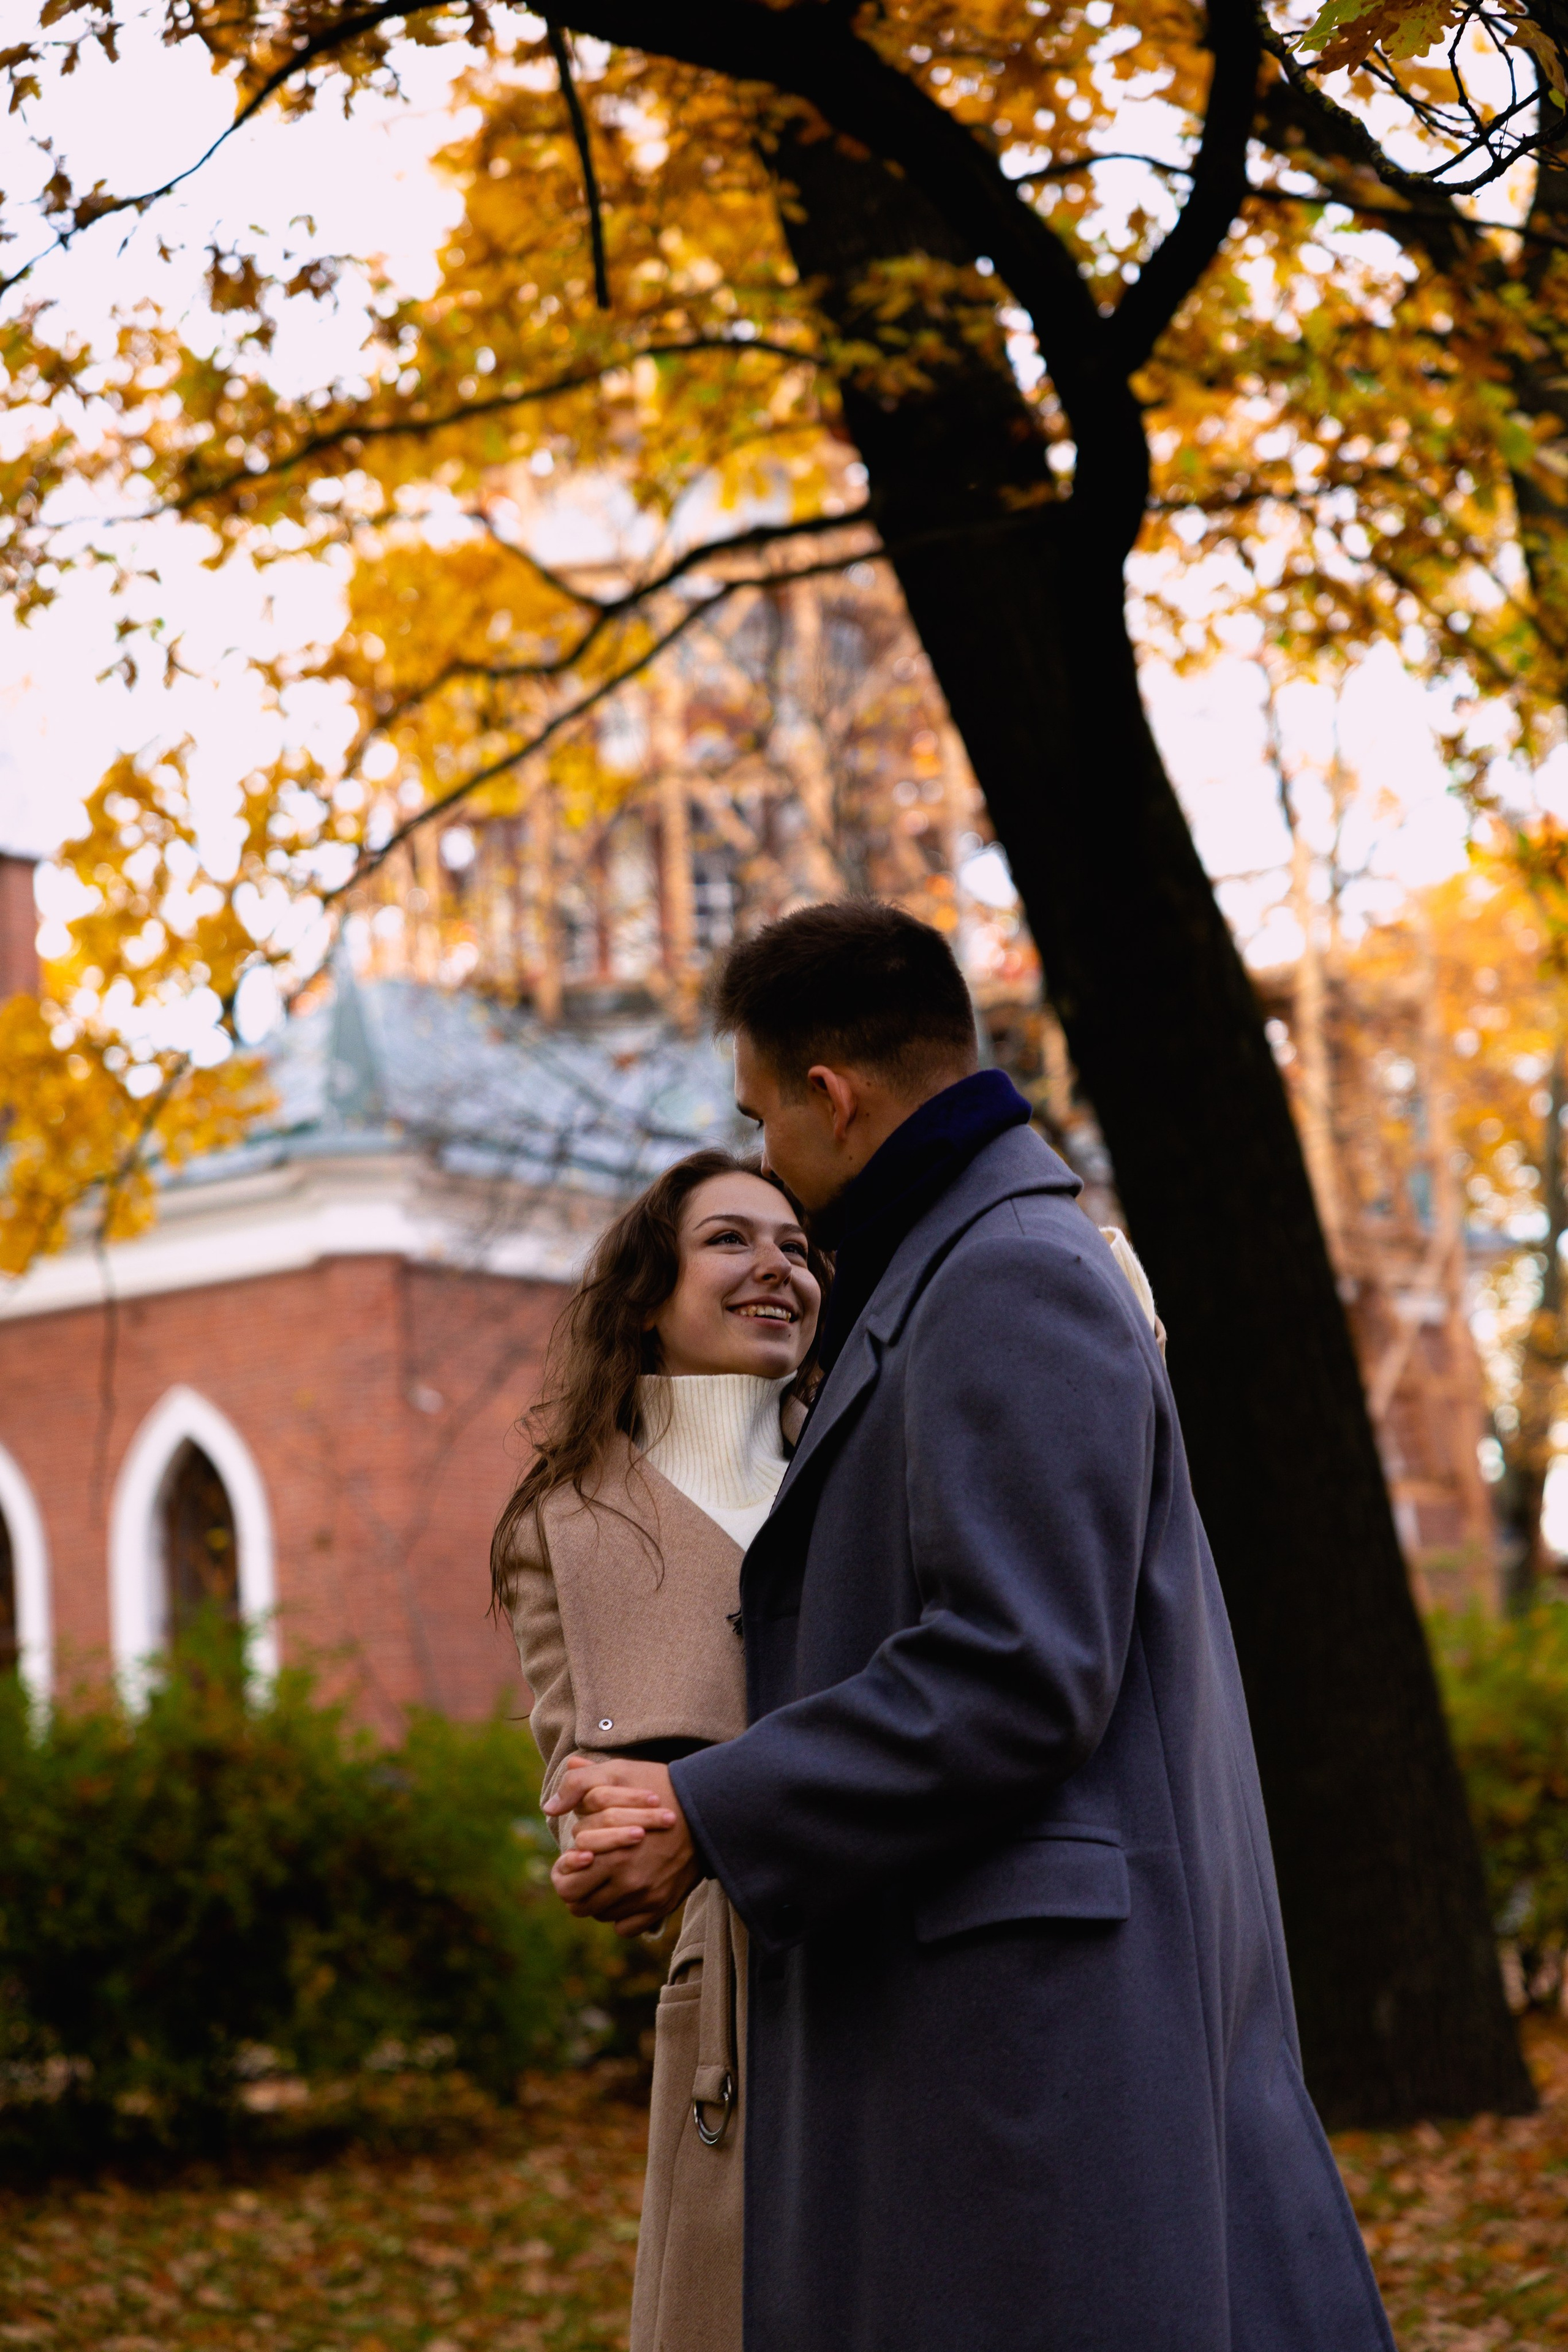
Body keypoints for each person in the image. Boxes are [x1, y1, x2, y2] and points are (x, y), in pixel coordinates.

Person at [546, 899, 1396, 2352]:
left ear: (832, 1095)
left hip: (1027, 2054)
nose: (764, 1160)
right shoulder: (952, 1270)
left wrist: (710, 1806)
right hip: (984, 2033)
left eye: (763, 1117)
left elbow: (1016, 1669)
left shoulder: (1005, 1278)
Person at [492, 1148, 827, 2352]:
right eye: (731, 1240)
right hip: (741, 1992)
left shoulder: (867, 1460)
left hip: (923, 1948)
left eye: (795, 1246)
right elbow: (581, 1784)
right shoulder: (564, 1525)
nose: (776, 1267)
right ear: (646, 1290)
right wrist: (611, 1836)